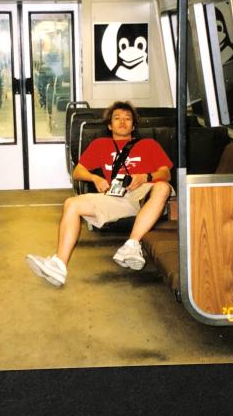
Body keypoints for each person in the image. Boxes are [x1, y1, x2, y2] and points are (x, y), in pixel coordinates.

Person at [26, 101, 173, 287]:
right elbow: (78, 172)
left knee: (163, 187)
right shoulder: (100, 145)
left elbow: (166, 173)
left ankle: (132, 245)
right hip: (117, 196)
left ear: (134, 126)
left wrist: (145, 177)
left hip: (147, 192)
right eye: (117, 118)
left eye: (128, 119)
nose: (122, 122)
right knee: (71, 204)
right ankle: (59, 264)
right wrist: (95, 178)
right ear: (110, 125)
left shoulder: (149, 144)